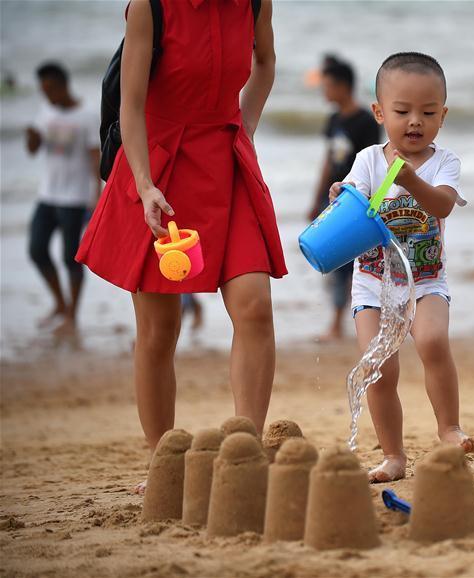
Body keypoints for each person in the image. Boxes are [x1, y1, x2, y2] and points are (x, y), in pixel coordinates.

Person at [75, 0, 286, 491]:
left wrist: (247, 126)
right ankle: (162, 461)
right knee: (159, 327)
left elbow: (266, 62)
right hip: (159, 164)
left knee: (254, 306)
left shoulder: (255, 1)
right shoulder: (149, 6)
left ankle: (245, 453)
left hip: (225, 159)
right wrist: (145, 185)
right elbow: (130, 104)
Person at [329, 52, 474, 483]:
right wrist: (341, 195)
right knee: (380, 367)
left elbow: (443, 205)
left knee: (433, 341)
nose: (415, 121)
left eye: (428, 112)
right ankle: (394, 456)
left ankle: (449, 427)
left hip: (426, 278)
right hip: (372, 284)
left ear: (443, 116)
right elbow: (354, 204)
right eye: (402, 111)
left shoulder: (443, 163)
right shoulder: (368, 161)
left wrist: (412, 179)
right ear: (379, 112)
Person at [308, 58, 381, 341]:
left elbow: (374, 163)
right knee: (334, 258)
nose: (324, 92)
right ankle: (339, 321)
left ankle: (341, 323)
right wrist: (316, 199)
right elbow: (328, 161)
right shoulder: (334, 119)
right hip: (334, 196)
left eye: (327, 86)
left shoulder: (365, 121)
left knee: (356, 263)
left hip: (358, 201)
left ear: (342, 86)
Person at [25, 62, 100, 335]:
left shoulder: (87, 115)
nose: (46, 96)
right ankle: (59, 303)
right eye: (42, 91)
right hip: (47, 195)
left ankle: (72, 314)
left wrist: (96, 192)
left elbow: (95, 156)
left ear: (62, 84)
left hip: (75, 199)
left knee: (71, 258)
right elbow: (33, 150)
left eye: (49, 89)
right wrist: (30, 137)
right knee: (36, 250)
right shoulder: (45, 111)